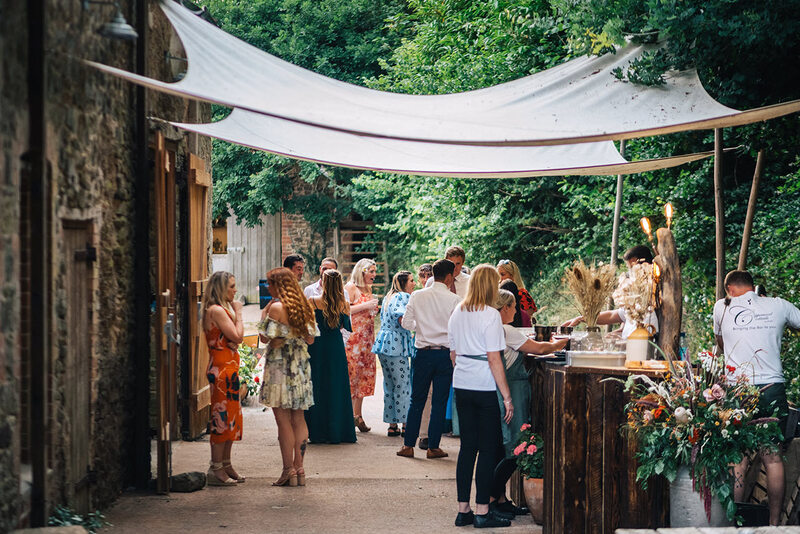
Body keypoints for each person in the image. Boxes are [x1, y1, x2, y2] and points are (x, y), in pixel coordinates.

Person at [714, 270, 800, 525]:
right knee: (772, 457)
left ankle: (735, 521)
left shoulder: (722, 307)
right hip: (772, 387)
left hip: (738, 389)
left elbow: (721, 343)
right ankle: (775, 525)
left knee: (738, 457)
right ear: (754, 286)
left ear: (729, 288)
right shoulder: (779, 305)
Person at [488, 289, 568, 519]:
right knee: (516, 445)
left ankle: (501, 499)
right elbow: (539, 349)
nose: (516, 311)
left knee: (506, 445)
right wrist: (559, 344)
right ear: (504, 308)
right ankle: (492, 497)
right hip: (514, 389)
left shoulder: (497, 329)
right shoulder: (507, 330)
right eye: (513, 307)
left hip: (504, 389)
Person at [448, 264, 513, 528]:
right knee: (487, 450)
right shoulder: (490, 315)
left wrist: (464, 370)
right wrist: (507, 397)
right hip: (484, 386)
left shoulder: (457, 311)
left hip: (462, 384)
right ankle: (482, 511)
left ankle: (463, 510)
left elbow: (452, 353)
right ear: (490, 286)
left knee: (467, 448)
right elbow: (494, 358)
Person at [258, 267, 317, 487]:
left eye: (270, 283)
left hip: (279, 368)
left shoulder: (275, 307)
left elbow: (266, 339)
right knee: (298, 418)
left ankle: (288, 470)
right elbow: (311, 339)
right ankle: (300, 469)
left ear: (278, 285)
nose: (267, 287)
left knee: (282, 421)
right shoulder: (304, 306)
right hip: (300, 366)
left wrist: (263, 314)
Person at [398, 259, 461, 459]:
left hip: (422, 352)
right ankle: (433, 447)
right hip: (444, 354)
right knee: (439, 402)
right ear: (450, 277)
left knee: (416, 399)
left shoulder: (417, 295)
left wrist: (423, 327)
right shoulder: (454, 300)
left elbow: (407, 323)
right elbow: (456, 331)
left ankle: (408, 445)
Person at [202, 271, 245, 486]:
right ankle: (215, 467)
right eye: (231, 286)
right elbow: (238, 336)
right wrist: (239, 313)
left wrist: (234, 341)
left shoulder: (221, 310)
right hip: (222, 370)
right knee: (221, 418)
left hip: (229, 367)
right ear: (220, 288)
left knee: (231, 419)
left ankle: (226, 463)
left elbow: (233, 340)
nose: (235, 290)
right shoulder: (217, 310)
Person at [304, 269, 357, 444]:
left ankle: (317, 432)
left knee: (317, 386)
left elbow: (308, 326)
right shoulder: (344, 304)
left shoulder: (312, 301)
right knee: (337, 388)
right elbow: (346, 327)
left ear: (324, 283)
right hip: (335, 348)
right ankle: (338, 432)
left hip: (317, 347)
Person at [561, 245, 659, 338]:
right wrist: (582, 318)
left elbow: (642, 341)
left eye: (633, 267)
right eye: (629, 269)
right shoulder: (634, 300)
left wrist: (621, 339)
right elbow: (613, 315)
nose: (630, 273)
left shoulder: (650, 302)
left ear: (646, 266)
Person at [372, 271, 416, 436]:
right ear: (404, 283)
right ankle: (405, 424)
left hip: (384, 344)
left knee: (390, 384)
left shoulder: (389, 297)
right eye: (412, 280)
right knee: (403, 385)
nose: (414, 283)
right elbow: (402, 320)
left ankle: (392, 425)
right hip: (396, 345)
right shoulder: (402, 297)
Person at [344, 258, 380, 432]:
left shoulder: (368, 289)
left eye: (375, 271)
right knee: (352, 376)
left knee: (364, 378)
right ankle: (349, 417)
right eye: (371, 271)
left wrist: (374, 309)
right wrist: (366, 305)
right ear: (362, 271)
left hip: (367, 340)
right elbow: (345, 309)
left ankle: (358, 415)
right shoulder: (350, 287)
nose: (374, 274)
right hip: (354, 340)